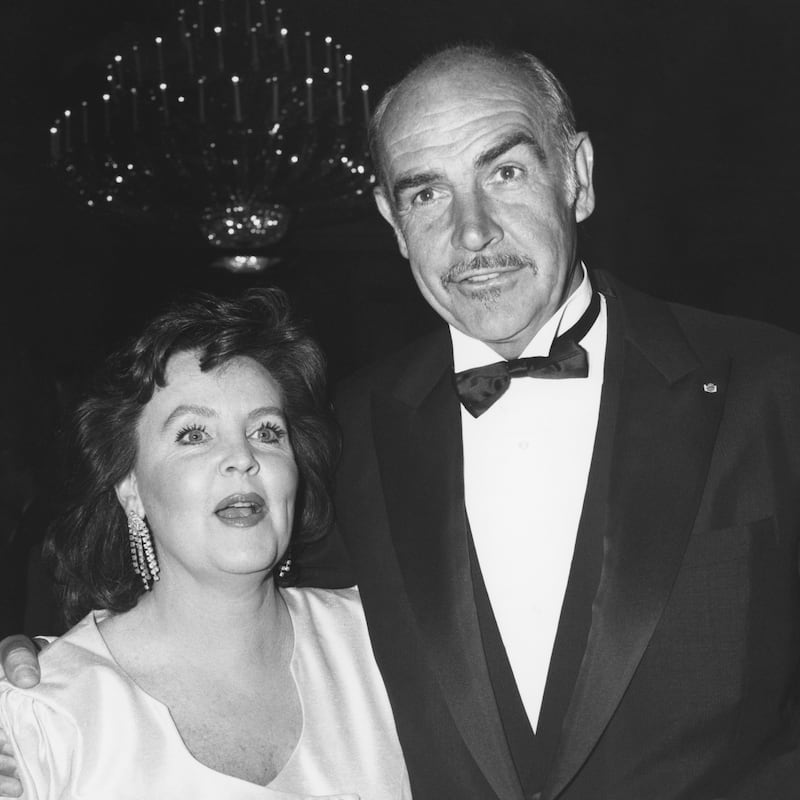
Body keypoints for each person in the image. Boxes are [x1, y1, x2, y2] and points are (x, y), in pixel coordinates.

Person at [4, 41, 800, 799]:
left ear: (579, 178)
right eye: (427, 192)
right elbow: (226, 599)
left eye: (508, 171)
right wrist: (49, 677)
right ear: (392, 219)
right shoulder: (351, 431)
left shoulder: (770, 389)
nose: (474, 232)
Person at [0, 289, 410, 799]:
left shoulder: (387, 644)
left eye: (266, 431)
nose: (242, 457)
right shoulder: (46, 715)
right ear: (129, 485)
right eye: (194, 434)